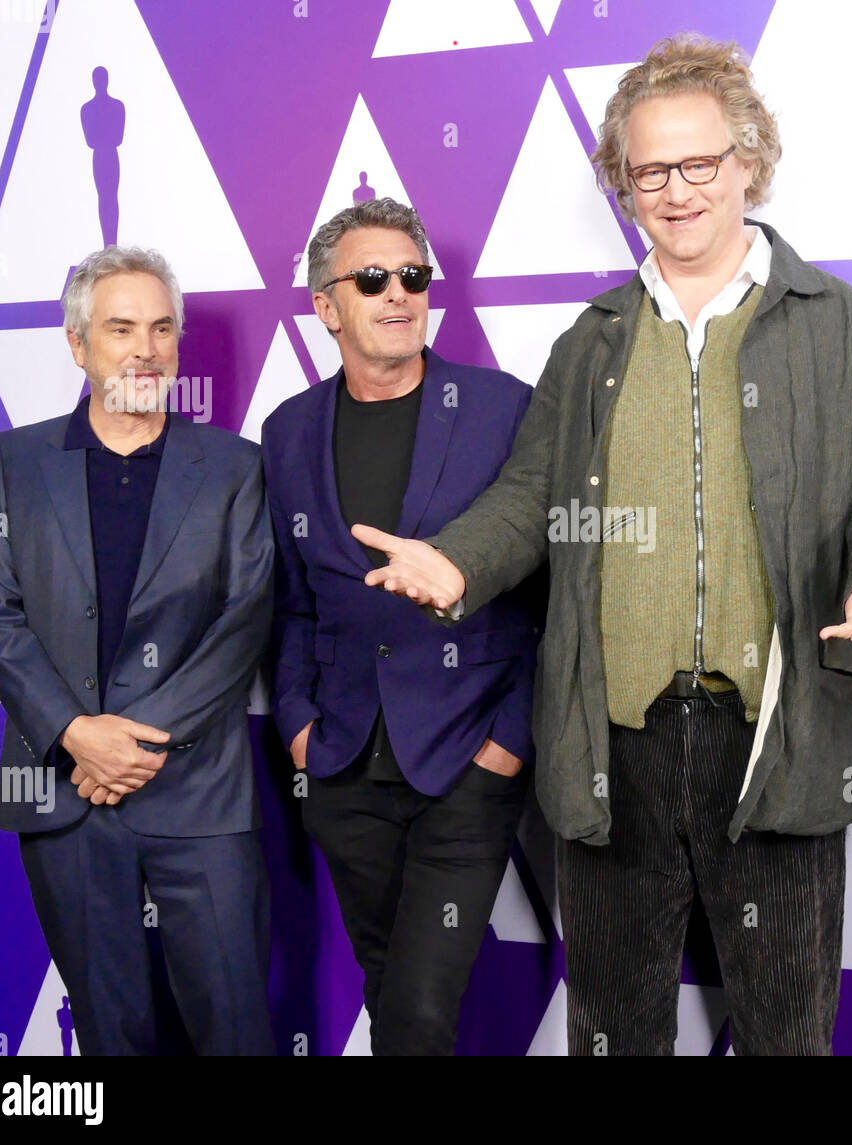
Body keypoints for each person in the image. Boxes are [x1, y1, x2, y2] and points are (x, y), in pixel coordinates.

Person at [353, 35, 852, 1055]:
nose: (674, 192)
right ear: (621, 186)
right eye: (647, 172)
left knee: (784, 1031)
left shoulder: (841, 326)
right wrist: (458, 564)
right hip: (613, 743)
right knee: (615, 1028)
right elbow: (532, 493)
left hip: (777, 732)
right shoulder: (591, 341)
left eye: (698, 163)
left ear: (749, 161)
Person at [0, 246, 275, 1055]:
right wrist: (75, 731)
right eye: (121, 327)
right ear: (78, 344)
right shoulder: (16, 460)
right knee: (111, 1035)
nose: (146, 348)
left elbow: (245, 619)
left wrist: (130, 743)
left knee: (235, 1028)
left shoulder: (235, 467)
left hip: (198, 793)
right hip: (63, 798)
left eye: (162, 328)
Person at [261, 198, 541, 1055]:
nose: (398, 294)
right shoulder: (287, 430)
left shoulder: (502, 408)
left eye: (413, 276)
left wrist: (510, 741)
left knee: (418, 1007)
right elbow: (292, 601)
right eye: (373, 278)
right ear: (325, 306)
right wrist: (301, 726)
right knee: (389, 994)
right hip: (341, 766)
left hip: (466, 761)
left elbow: (551, 592)